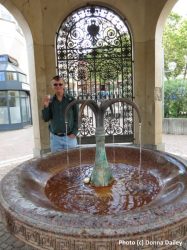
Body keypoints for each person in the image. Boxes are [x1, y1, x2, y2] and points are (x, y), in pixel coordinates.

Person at [42, 75, 79, 153]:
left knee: (72, 162)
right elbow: (46, 118)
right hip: (55, 139)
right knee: (57, 162)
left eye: (60, 84)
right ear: (52, 86)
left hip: (69, 138)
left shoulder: (71, 100)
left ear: (64, 85)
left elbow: (77, 117)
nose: (58, 86)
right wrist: (46, 105)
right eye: (55, 84)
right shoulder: (50, 101)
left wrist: (74, 132)